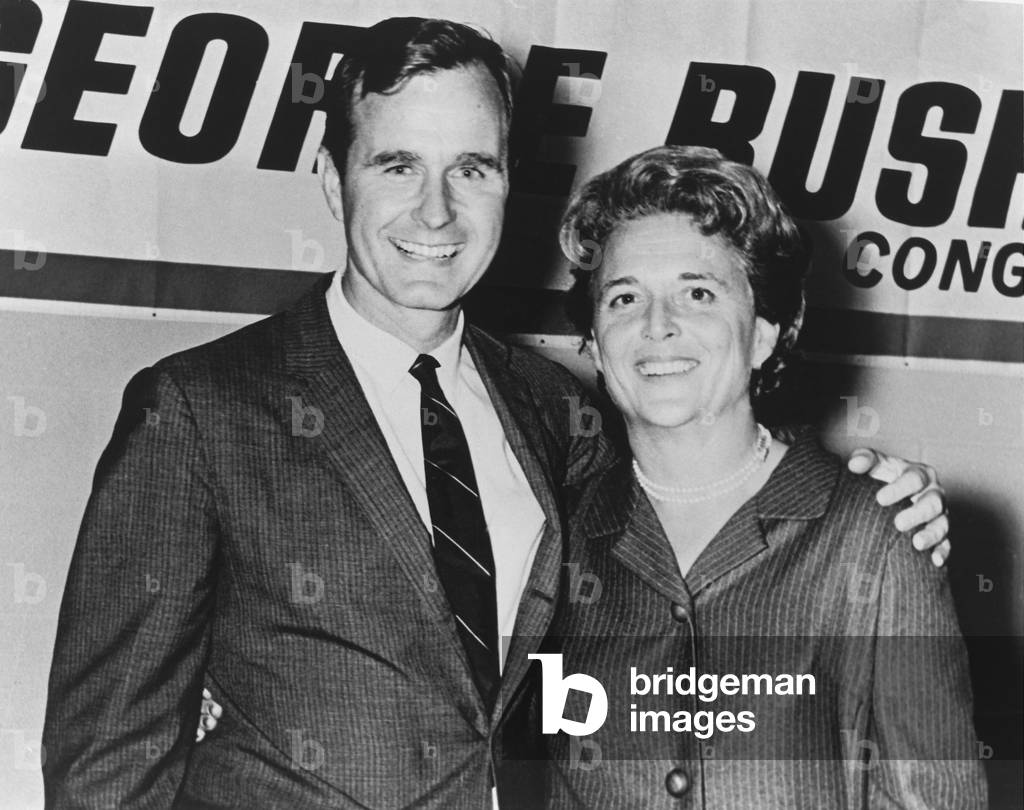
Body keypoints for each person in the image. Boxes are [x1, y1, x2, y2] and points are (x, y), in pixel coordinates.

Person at [42, 18, 951, 810]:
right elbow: (106, 763)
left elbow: (692, 510)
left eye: (471, 168)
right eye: (397, 164)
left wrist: (864, 499)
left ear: (511, 182)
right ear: (332, 179)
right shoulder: (199, 409)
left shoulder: (557, 412)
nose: (435, 210)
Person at [535, 145, 985, 808]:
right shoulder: (555, 540)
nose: (658, 326)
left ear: (765, 335)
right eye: (625, 297)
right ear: (597, 345)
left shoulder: (872, 533)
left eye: (698, 292)